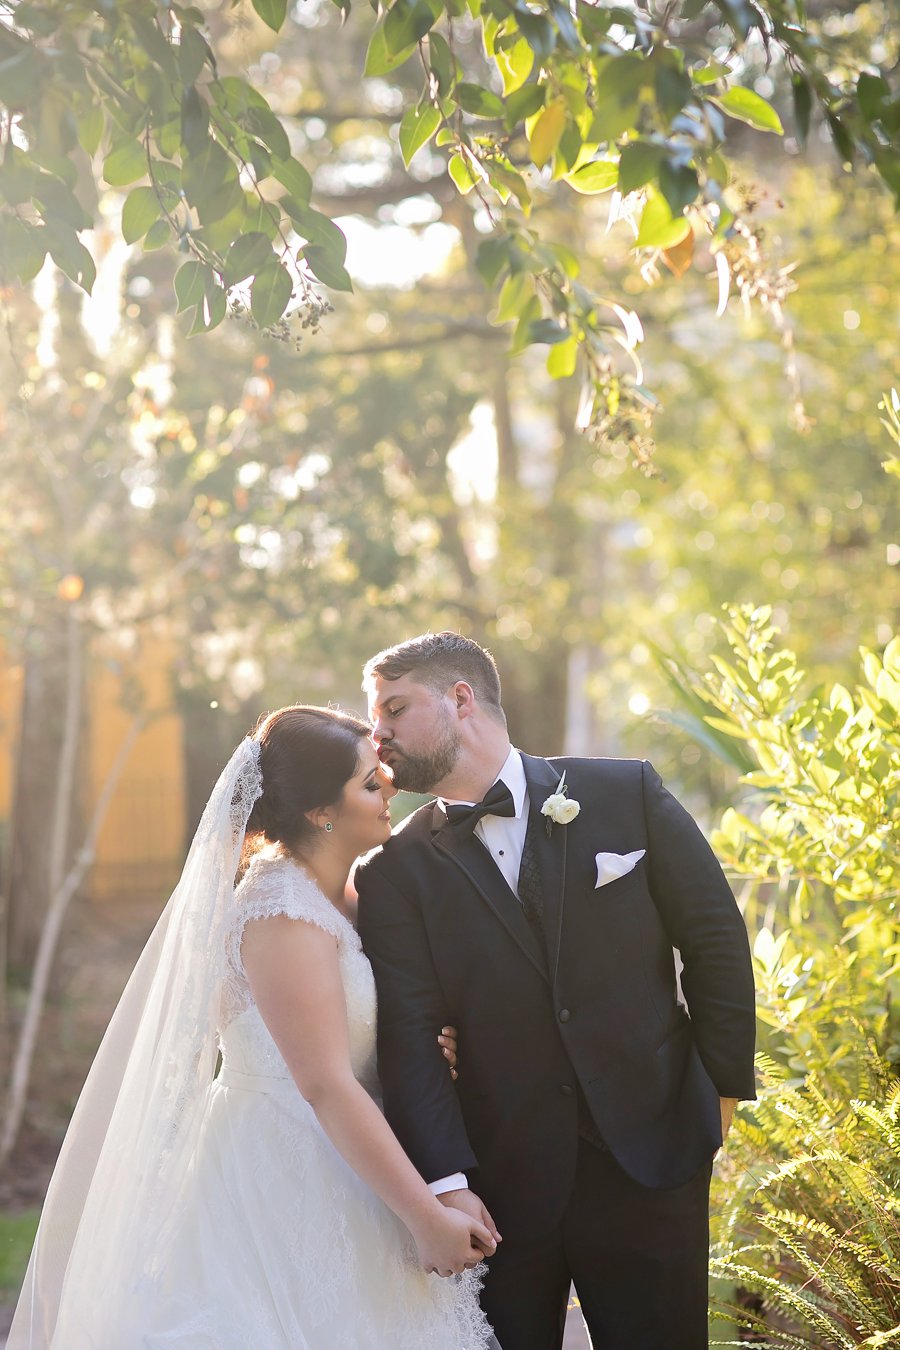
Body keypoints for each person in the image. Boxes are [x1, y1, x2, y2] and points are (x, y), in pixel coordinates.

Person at [9, 705, 498, 1349]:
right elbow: (323, 1081)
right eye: (369, 782)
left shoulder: (354, 893)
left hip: (355, 1149)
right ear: (322, 810)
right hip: (287, 1169)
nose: (389, 791)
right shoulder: (280, 913)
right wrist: (422, 1215)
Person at [355, 632, 758, 1350]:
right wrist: (448, 1182)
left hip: (652, 1157)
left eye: (394, 707)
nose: (377, 732)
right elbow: (411, 1033)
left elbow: (715, 942)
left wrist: (721, 1097)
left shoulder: (624, 793)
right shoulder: (394, 872)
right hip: (499, 1187)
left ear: (461, 699)